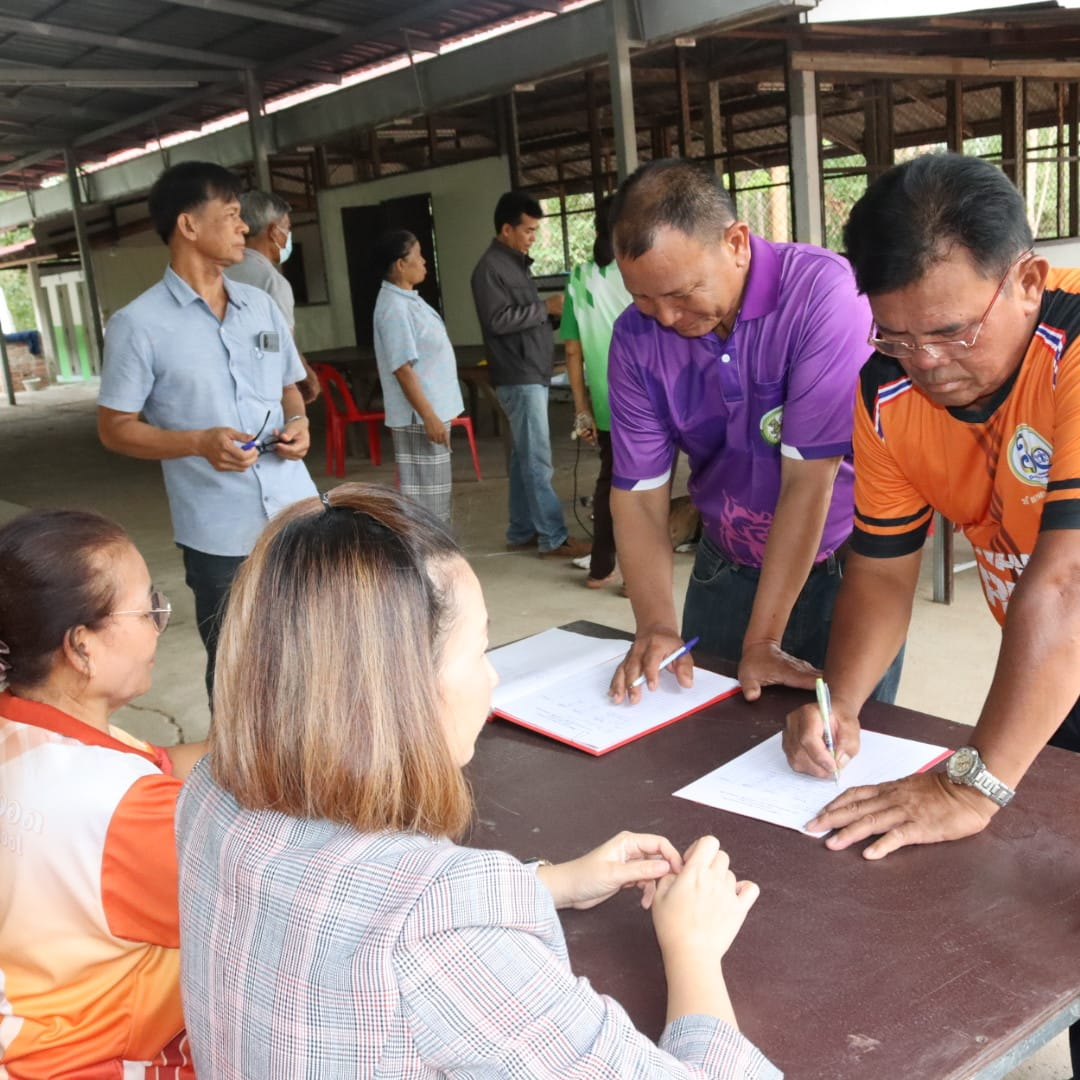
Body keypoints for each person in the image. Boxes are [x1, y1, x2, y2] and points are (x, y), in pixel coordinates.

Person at [175, 483, 779, 1079]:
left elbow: (342, 908)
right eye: (481, 649)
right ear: (403, 688)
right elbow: (415, 933)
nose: (492, 681)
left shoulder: (207, 793)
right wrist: (693, 951)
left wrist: (549, 884)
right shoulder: (438, 933)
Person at [784, 152, 1080, 863]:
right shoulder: (886, 392)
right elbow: (883, 572)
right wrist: (841, 703)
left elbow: (1070, 587)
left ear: (1028, 282)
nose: (926, 362)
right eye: (896, 334)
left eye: (952, 332)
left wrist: (970, 785)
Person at [604, 159, 902, 706]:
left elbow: (807, 481)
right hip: (724, 565)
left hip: (841, 569)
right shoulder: (635, 341)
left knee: (837, 746)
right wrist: (655, 625)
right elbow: (639, 496)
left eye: (681, 292)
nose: (665, 318)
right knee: (705, 746)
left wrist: (763, 638)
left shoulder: (823, 295)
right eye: (643, 298)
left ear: (737, 243)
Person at [97, 160, 317, 701]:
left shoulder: (260, 306)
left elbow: (290, 387)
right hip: (221, 532)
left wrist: (299, 422)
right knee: (241, 674)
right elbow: (115, 428)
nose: (245, 228)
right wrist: (196, 442)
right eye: (234, 215)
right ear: (189, 225)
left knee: (318, 654)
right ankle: (239, 784)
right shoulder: (139, 324)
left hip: (299, 509)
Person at [0, 508, 205, 1079]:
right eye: (148, 610)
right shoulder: (127, 812)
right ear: (81, 646)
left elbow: (166, 763)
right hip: (97, 1061)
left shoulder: (30, 729)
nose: (160, 625)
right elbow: (280, 907)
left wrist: (270, 739)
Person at [471, 190, 591, 559]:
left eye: (536, 231)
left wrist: (553, 313)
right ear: (506, 229)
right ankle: (552, 537)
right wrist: (544, 307)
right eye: (528, 230)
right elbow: (498, 320)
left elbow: (521, 314)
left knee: (524, 458)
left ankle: (521, 529)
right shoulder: (490, 268)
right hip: (518, 373)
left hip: (530, 370)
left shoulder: (515, 262)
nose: (533, 237)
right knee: (537, 459)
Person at [561, 198, 633, 589]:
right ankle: (636, 578)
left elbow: (572, 349)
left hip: (604, 399)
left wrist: (582, 408)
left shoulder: (578, 278)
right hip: (646, 396)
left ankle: (601, 568)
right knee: (644, 486)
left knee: (610, 480)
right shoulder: (638, 270)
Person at [372, 228, 465, 523]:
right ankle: (428, 560)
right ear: (401, 264)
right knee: (426, 502)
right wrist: (429, 416)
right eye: (419, 255)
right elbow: (402, 368)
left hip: (428, 414)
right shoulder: (394, 308)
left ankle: (432, 557)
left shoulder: (408, 299)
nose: (425, 262)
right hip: (419, 418)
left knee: (434, 497)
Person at [224, 188, 320, 404]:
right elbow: (280, 345)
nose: (288, 236)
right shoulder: (272, 281)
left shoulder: (220, 270)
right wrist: (306, 376)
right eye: (287, 228)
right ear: (274, 231)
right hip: (261, 391)